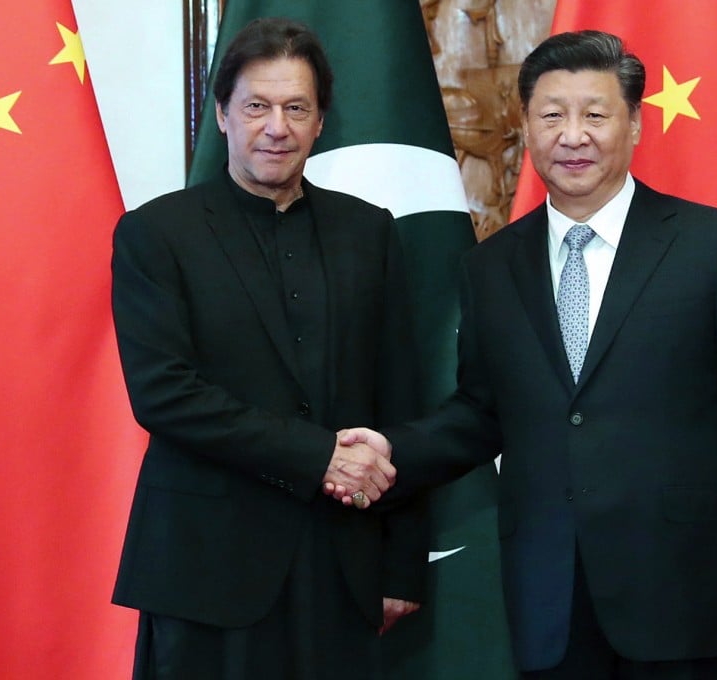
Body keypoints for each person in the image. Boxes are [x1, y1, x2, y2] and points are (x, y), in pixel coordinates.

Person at [334, 30, 717, 679]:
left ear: (635, 124)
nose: (572, 135)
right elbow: (480, 412)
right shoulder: (491, 267)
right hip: (550, 592)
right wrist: (393, 453)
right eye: (552, 114)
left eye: (595, 114)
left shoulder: (713, 248)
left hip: (685, 590)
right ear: (527, 127)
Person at [110, 17, 426, 679]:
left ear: (320, 122)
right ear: (222, 114)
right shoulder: (155, 235)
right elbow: (166, 395)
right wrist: (320, 456)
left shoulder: (369, 233)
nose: (275, 126)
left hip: (340, 567)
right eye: (256, 106)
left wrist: (400, 566)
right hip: (205, 569)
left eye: (295, 108)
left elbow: (401, 402)